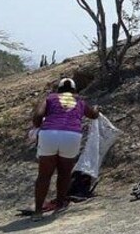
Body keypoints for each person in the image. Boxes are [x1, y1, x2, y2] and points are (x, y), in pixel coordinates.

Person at [31, 78, 99, 221]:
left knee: (44, 175)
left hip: (49, 135)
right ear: (74, 90)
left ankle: (38, 212)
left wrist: (40, 126)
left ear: (58, 90)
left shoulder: (50, 98)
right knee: (65, 173)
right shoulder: (79, 100)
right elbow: (93, 115)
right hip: (72, 136)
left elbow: (37, 117)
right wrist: (97, 110)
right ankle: (60, 205)